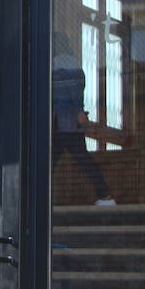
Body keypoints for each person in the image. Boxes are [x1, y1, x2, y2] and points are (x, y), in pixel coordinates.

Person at [52, 32, 114, 205]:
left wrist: (78, 110)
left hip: (62, 122)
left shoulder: (61, 66)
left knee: (52, 160)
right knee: (81, 158)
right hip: (68, 122)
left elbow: (69, 92)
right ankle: (105, 195)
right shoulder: (73, 65)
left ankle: (104, 194)